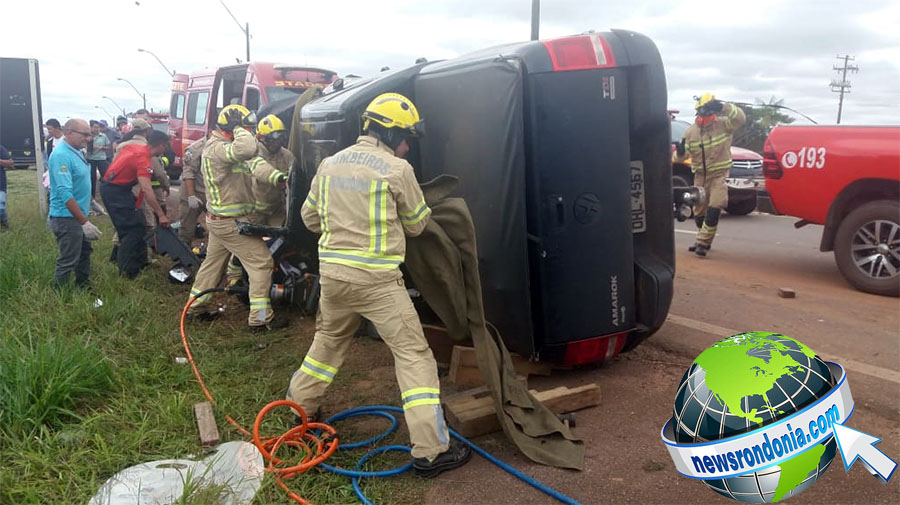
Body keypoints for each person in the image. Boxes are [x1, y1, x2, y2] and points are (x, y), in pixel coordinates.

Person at [284, 93, 471, 478]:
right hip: (378, 282)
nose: (407, 146)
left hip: (334, 278)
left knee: (327, 344)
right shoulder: (397, 169)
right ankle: (432, 452)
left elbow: (310, 218)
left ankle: (299, 413)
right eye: (405, 137)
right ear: (390, 132)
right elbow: (418, 224)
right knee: (413, 356)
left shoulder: (329, 164)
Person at [185, 104, 288, 332]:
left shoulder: (231, 148)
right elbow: (247, 148)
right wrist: (240, 128)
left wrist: (279, 178)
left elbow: (258, 164)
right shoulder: (217, 148)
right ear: (232, 128)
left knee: (212, 266)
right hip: (228, 223)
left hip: (222, 221)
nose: (249, 133)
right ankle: (261, 319)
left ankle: (194, 308)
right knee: (261, 264)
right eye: (245, 128)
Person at [676, 93, 746, 257]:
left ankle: (702, 242)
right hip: (700, 176)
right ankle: (702, 237)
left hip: (719, 175)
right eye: (703, 111)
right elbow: (681, 157)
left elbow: (740, 118)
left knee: (716, 205)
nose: (706, 115)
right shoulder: (690, 132)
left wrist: (724, 106)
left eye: (710, 110)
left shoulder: (724, 125)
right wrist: (680, 152)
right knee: (699, 212)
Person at [101, 130, 171, 278]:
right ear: (159, 145)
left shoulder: (134, 147)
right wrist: (161, 214)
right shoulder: (143, 159)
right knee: (130, 231)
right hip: (115, 191)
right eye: (165, 146)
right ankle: (127, 272)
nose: (165, 150)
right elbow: (146, 188)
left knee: (140, 225)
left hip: (119, 189)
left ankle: (141, 261)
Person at [47, 119, 101, 288]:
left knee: (84, 253)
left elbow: (79, 182)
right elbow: (64, 192)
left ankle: (83, 287)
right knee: (69, 259)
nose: (88, 138)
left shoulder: (77, 151)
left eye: (89, 135)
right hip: (66, 217)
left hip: (77, 214)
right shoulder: (61, 155)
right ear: (69, 132)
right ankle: (59, 296)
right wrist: (84, 222)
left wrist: (92, 202)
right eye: (84, 135)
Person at [252, 114, 293, 226]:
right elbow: (261, 169)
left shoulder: (286, 155)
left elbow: (294, 172)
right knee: (254, 240)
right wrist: (278, 178)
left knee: (277, 239)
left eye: (280, 139)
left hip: (277, 210)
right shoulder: (253, 152)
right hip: (255, 212)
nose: (277, 143)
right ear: (262, 138)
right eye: (273, 140)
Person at [178, 135, 208, 245]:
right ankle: (183, 256)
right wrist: (191, 196)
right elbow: (188, 172)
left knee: (220, 227)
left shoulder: (223, 146)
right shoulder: (196, 148)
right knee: (187, 228)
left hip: (210, 193)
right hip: (193, 191)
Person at [87, 120, 111, 214]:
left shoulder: (103, 136)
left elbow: (108, 147)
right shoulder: (88, 136)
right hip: (90, 158)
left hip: (101, 158)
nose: (97, 129)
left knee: (105, 176)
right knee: (91, 178)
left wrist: (101, 148)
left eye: (98, 127)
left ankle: (107, 194)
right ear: (91, 127)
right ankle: (92, 198)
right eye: (95, 127)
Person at [0, 144, 12, 229]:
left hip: (0, 184)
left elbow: (10, 163)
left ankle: (4, 226)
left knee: (0, 208)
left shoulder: (0, 148)